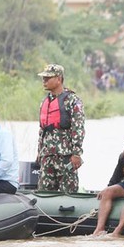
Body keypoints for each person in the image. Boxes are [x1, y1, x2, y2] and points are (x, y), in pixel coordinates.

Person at [37, 63, 85, 193]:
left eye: (48, 78)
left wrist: (76, 153)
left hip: (65, 156)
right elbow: (42, 130)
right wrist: (39, 152)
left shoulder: (72, 100)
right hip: (47, 155)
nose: (44, 81)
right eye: (43, 78)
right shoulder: (45, 102)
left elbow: (78, 128)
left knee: (68, 193)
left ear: (59, 79)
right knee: (44, 192)